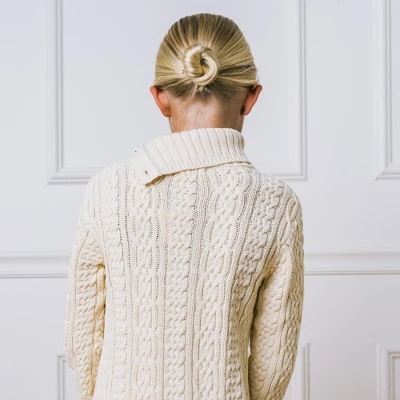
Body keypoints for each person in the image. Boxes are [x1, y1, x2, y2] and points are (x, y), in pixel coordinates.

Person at [63, 13, 304, 400]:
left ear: (160, 97)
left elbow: (83, 341)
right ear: (251, 97)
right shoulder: (275, 204)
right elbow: (273, 361)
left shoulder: (107, 190)